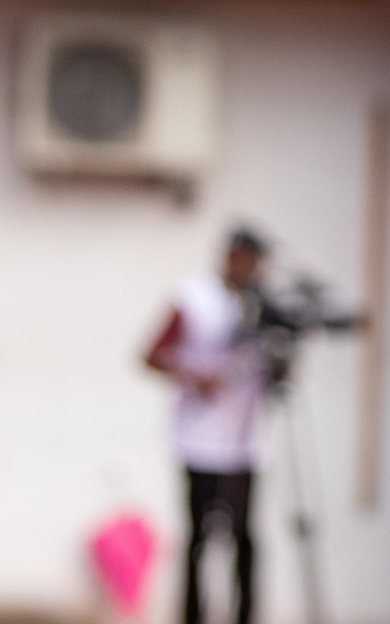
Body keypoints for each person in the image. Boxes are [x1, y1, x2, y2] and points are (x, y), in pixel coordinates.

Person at [143, 227, 272, 624]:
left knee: (244, 539)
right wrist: (195, 375)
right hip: (199, 440)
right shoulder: (194, 296)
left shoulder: (262, 305)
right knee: (199, 538)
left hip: (244, 441)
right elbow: (152, 353)